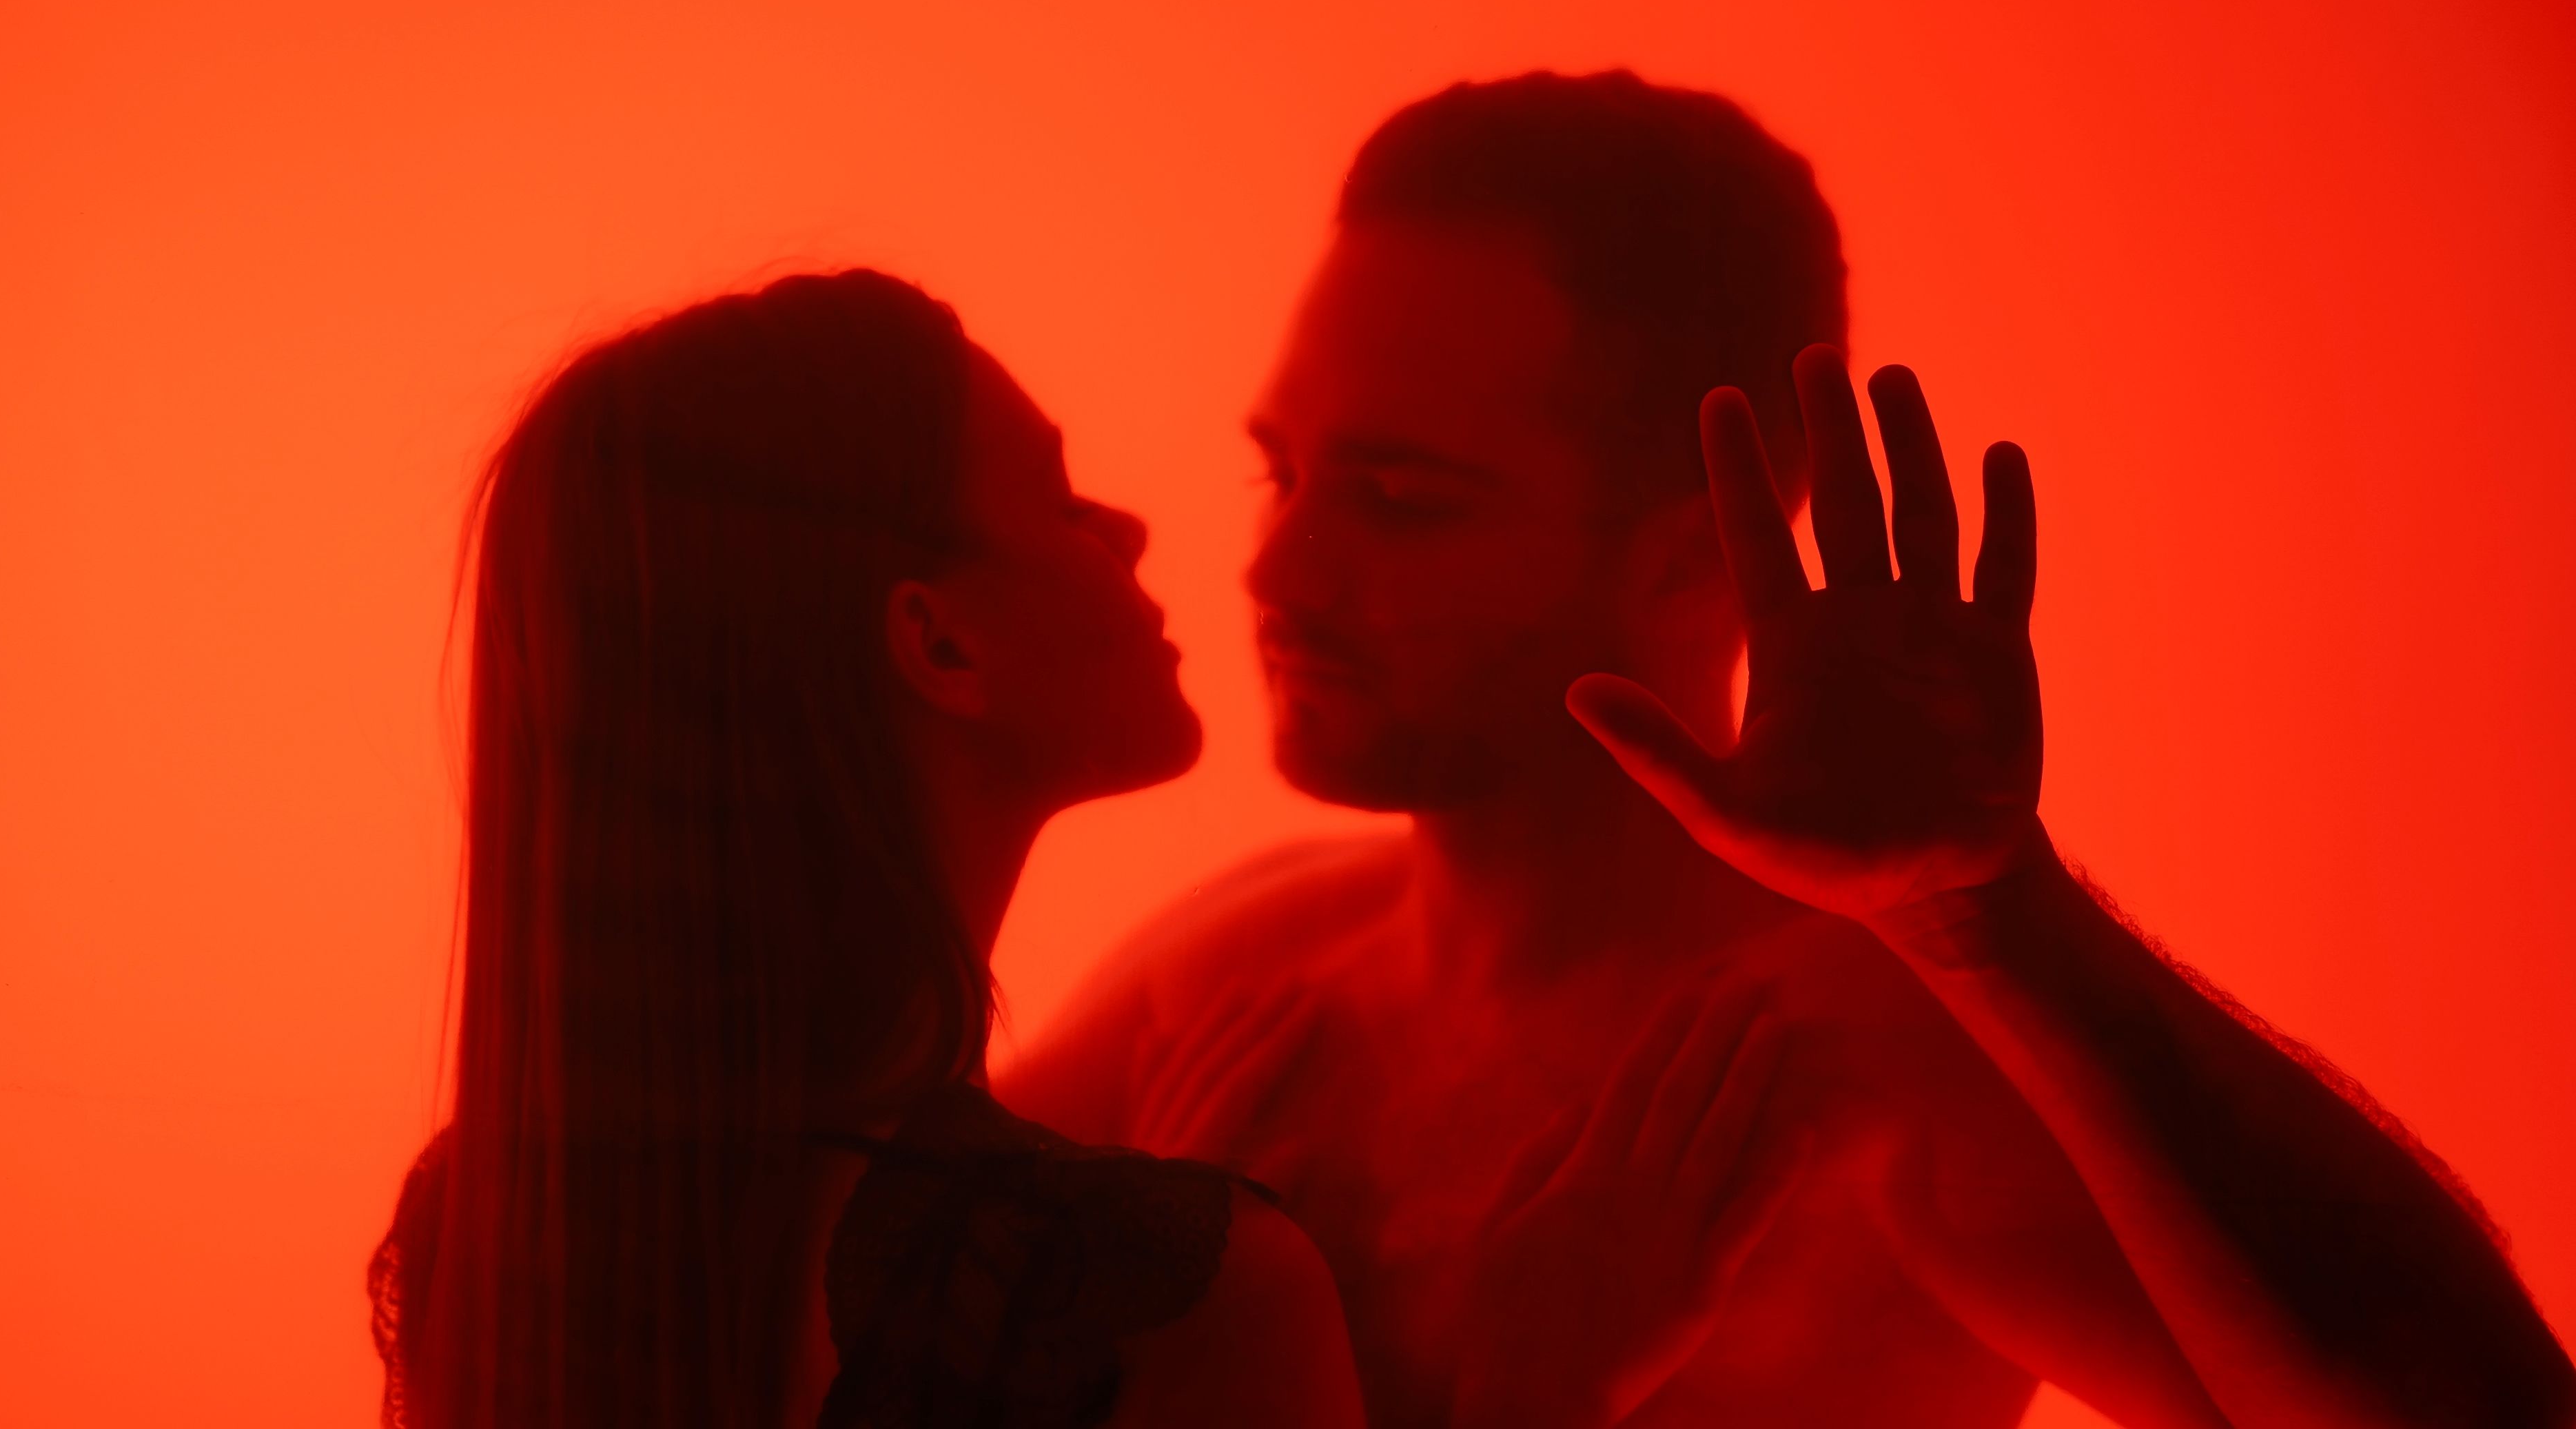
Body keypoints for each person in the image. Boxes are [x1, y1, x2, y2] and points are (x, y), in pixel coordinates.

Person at [1000, 72, 2576, 1427]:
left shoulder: (1855, 1080)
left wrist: (1992, 914)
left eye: (1405, 500)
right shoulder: (1229, 983)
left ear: (1694, 559)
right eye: (1284, 475)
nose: (1281, 575)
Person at [366, 271, 1382, 1429]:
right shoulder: (1185, 1288)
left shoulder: (489, 1229)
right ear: (940, 646)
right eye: (1061, 501)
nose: (1129, 528)